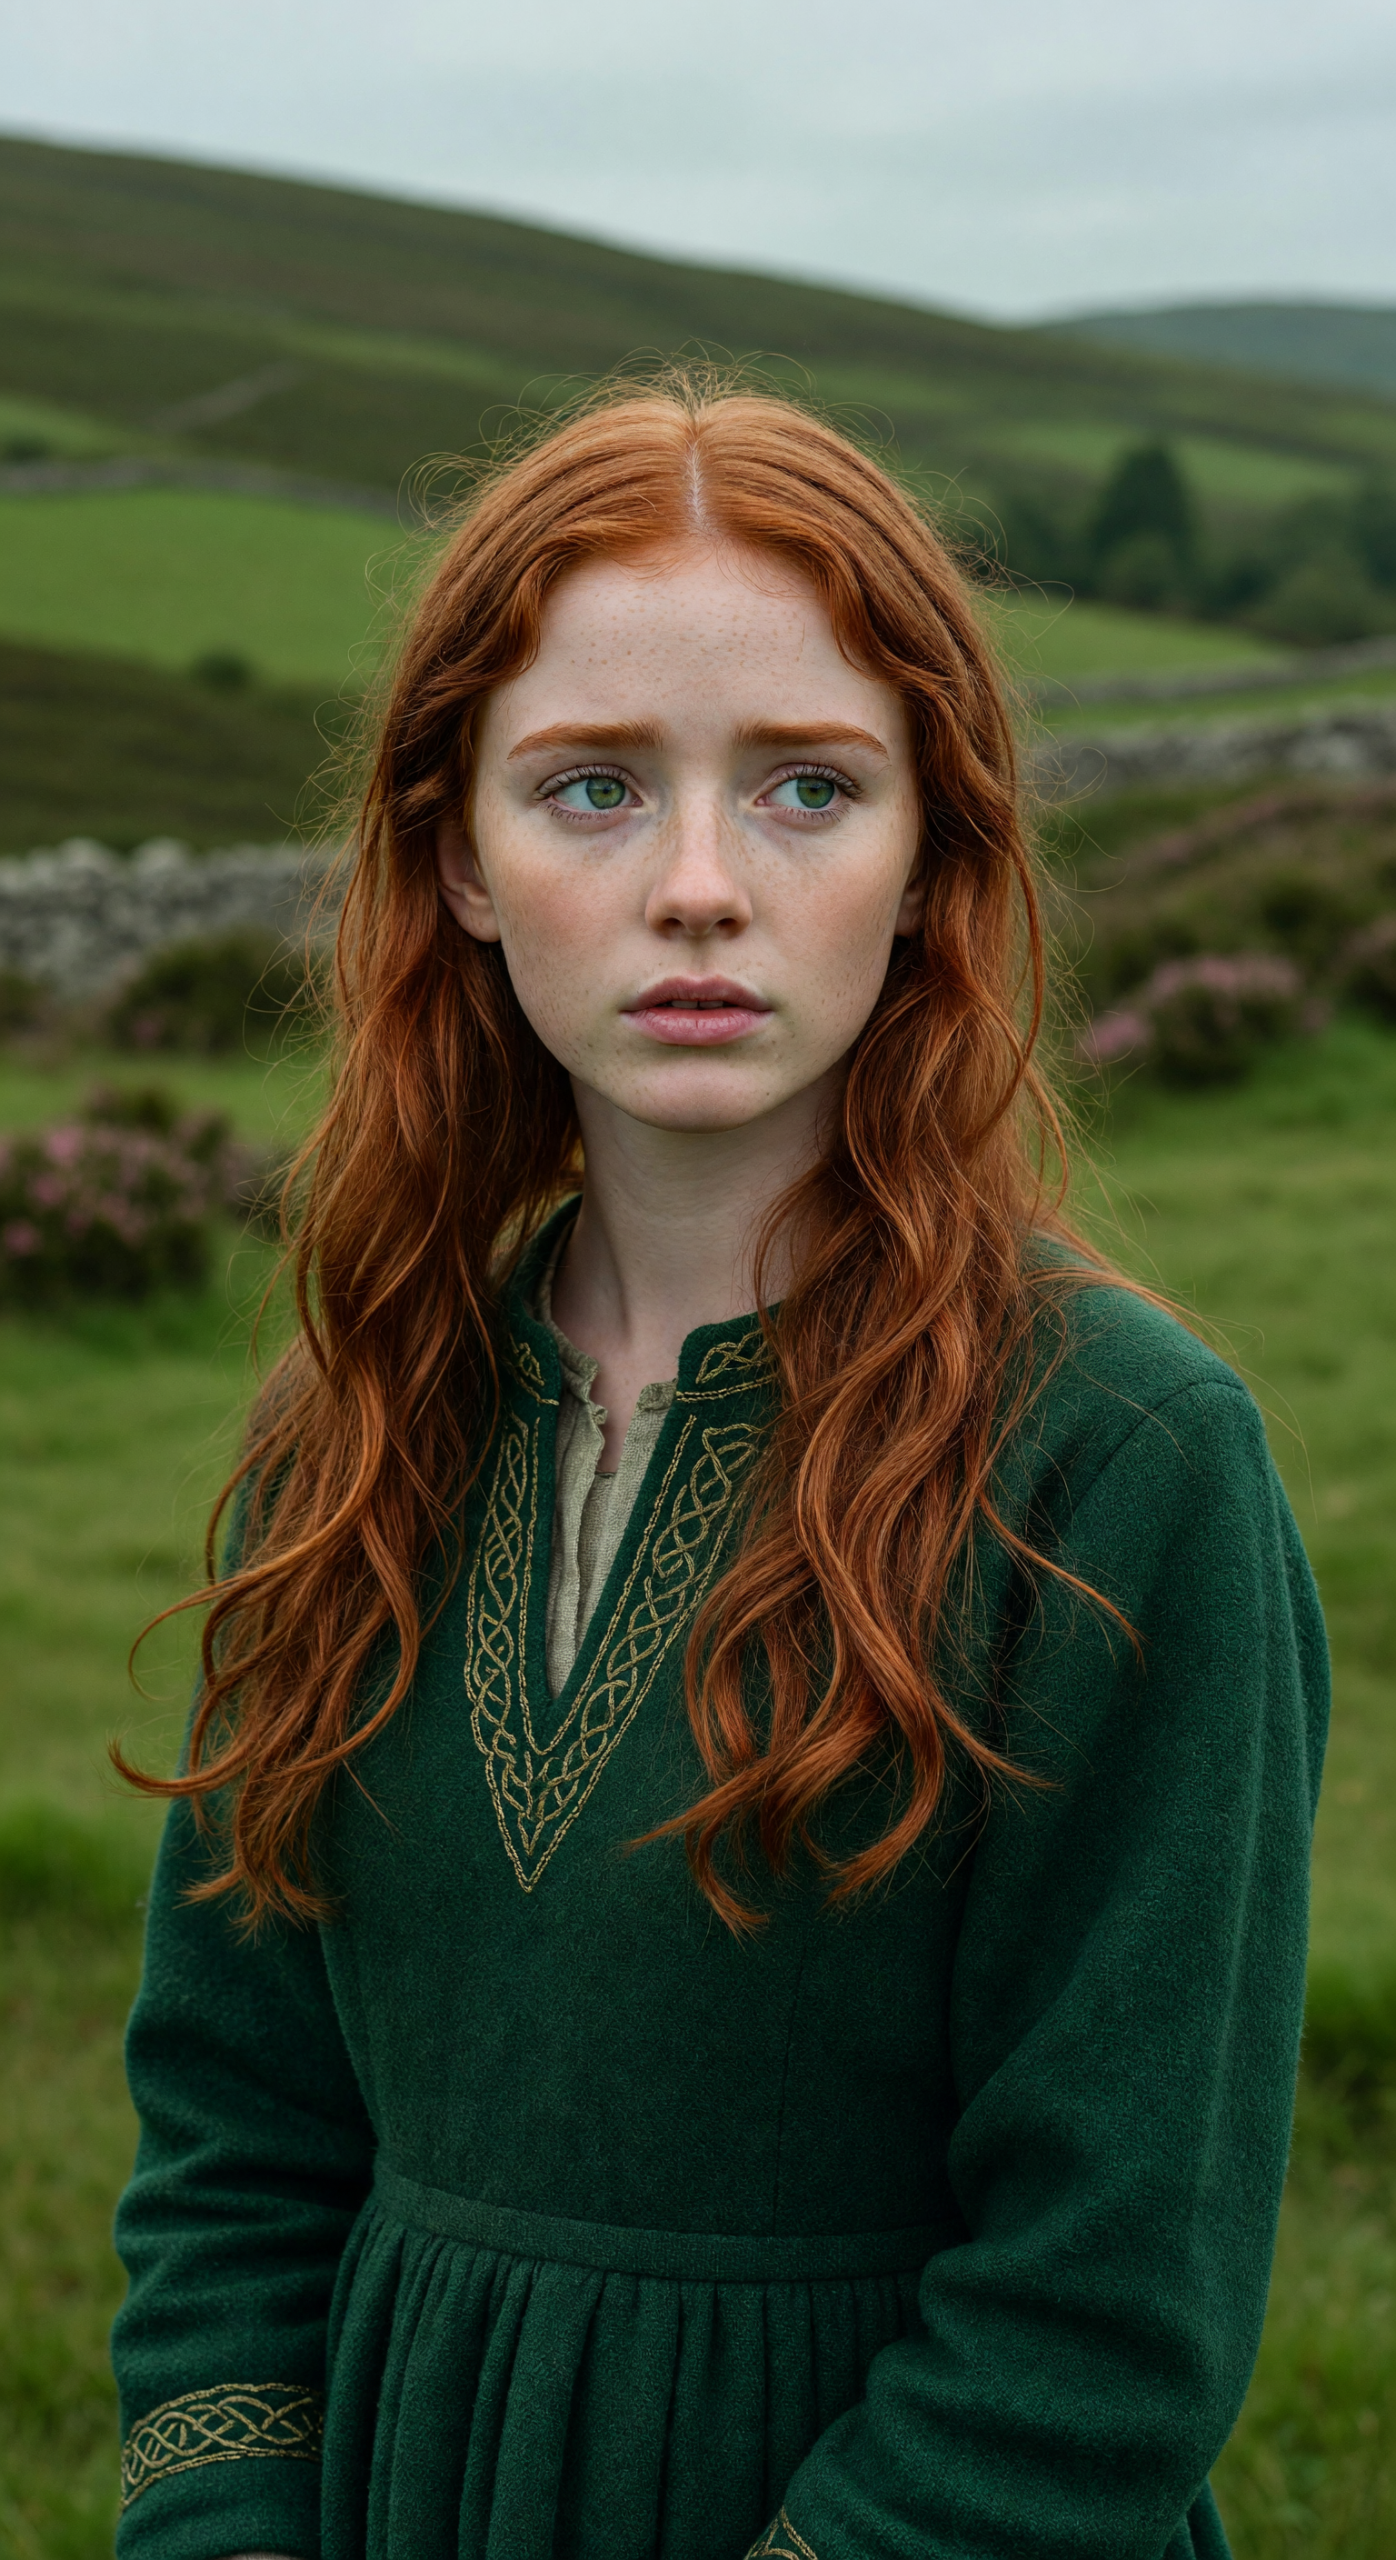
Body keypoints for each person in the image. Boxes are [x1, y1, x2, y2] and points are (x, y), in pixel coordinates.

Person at [110, 382, 1328, 2560]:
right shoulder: (359, 1419)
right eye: (589, 787)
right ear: (457, 856)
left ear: (928, 850)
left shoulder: (1121, 1466)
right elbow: (234, 2132)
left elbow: (1098, 2311)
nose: (695, 886)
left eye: (803, 788)